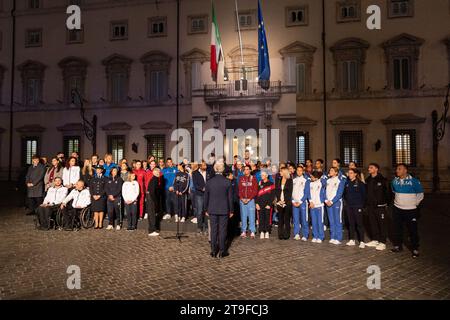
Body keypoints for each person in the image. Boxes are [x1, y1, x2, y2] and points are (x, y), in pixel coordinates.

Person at [391, 164, 424, 258]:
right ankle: (398, 246)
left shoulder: (414, 181)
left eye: (399, 169)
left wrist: (414, 204)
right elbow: (394, 192)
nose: (397, 170)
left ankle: (415, 249)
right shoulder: (394, 181)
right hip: (397, 209)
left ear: (405, 170)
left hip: (411, 210)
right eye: (397, 169)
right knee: (397, 229)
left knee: (412, 230)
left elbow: (420, 194)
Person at [204, 162, 234, 258]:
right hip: (224, 209)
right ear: (223, 170)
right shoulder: (227, 182)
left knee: (213, 231)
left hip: (212, 209)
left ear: (215, 169)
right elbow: (230, 198)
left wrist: (206, 209)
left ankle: (213, 251)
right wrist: (231, 210)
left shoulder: (209, 182)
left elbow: (206, 197)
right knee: (222, 230)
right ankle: (222, 251)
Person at [365, 163, 390, 251]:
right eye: (369, 168)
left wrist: (386, 203)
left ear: (376, 169)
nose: (369, 169)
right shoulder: (368, 180)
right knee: (373, 223)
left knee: (382, 224)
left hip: (380, 206)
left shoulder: (383, 180)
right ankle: (375, 240)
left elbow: (388, 193)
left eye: (371, 168)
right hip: (370, 206)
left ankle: (382, 242)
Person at [344, 168, 367, 248]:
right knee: (351, 223)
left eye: (351, 173)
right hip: (349, 206)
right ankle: (352, 239)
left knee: (359, 223)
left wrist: (361, 205)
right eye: (349, 173)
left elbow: (364, 195)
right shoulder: (347, 183)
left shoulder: (360, 183)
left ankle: (362, 241)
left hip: (358, 206)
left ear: (355, 174)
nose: (349, 174)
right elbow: (345, 194)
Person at [325, 167, 346, 245]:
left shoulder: (340, 181)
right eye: (330, 170)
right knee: (331, 220)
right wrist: (326, 200)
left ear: (336, 173)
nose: (330, 171)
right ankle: (333, 237)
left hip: (336, 203)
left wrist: (332, 201)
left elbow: (339, 193)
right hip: (328, 203)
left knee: (338, 220)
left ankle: (338, 238)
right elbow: (324, 191)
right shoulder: (327, 181)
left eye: (332, 170)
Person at [238, 165, 258, 239]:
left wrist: (249, 198)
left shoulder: (253, 178)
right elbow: (239, 190)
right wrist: (241, 198)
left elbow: (255, 190)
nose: (246, 171)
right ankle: (243, 231)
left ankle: (252, 231)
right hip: (242, 200)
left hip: (251, 200)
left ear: (250, 170)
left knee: (252, 215)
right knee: (243, 215)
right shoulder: (241, 178)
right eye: (245, 169)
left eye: (247, 169)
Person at [292, 165, 310, 241]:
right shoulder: (294, 180)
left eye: (300, 170)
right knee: (296, 219)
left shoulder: (306, 180)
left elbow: (306, 193)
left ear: (303, 171)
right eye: (297, 170)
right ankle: (296, 234)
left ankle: (305, 235)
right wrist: (293, 200)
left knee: (304, 219)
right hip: (294, 203)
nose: (299, 172)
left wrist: (300, 201)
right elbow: (291, 192)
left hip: (302, 203)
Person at [256, 170, 275, 239]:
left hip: (268, 205)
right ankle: (261, 231)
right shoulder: (259, 183)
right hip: (260, 204)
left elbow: (273, 195)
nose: (262, 176)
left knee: (268, 218)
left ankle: (267, 231)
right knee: (260, 218)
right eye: (261, 175)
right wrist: (257, 203)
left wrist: (269, 204)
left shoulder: (271, 184)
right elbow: (257, 194)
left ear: (267, 175)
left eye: (263, 175)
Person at [274, 167, 293, 240]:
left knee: (286, 219)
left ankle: (286, 234)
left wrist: (284, 201)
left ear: (285, 172)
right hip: (279, 202)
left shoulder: (289, 180)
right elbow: (276, 190)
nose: (280, 173)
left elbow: (290, 192)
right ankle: (280, 234)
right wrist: (279, 200)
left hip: (287, 202)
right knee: (280, 219)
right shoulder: (279, 180)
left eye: (281, 171)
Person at [309, 171, 326, 243]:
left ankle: (321, 236)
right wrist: (310, 202)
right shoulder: (310, 184)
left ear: (316, 177)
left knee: (320, 222)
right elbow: (309, 193)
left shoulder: (321, 183)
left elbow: (325, 182)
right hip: (312, 205)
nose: (310, 178)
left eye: (312, 177)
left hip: (319, 205)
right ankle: (315, 236)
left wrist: (320, 177)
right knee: (314, 222)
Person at [192, 161, 208, 235]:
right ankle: (199, 227)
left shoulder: (208, 172)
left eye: (206, 165)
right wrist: (202, 188)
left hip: (208, 194)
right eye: (204, 165)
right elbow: (195, 185)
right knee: (199, 211)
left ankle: (207, 228)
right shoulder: (195, 173)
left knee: (207, 211)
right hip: (199, 194)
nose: (206, 166)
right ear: (200, 166)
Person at [147, 168, 163, 236]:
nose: (158, 173)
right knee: (152, 214)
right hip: (151, 198)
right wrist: (155, 201)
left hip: (150, 198)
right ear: (153, 172)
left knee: (152, 214)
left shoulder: (154, 179)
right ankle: (151, 230)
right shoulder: (155, 179)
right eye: (157, 172)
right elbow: (152, 191)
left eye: (159, 172)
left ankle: (153, 229)